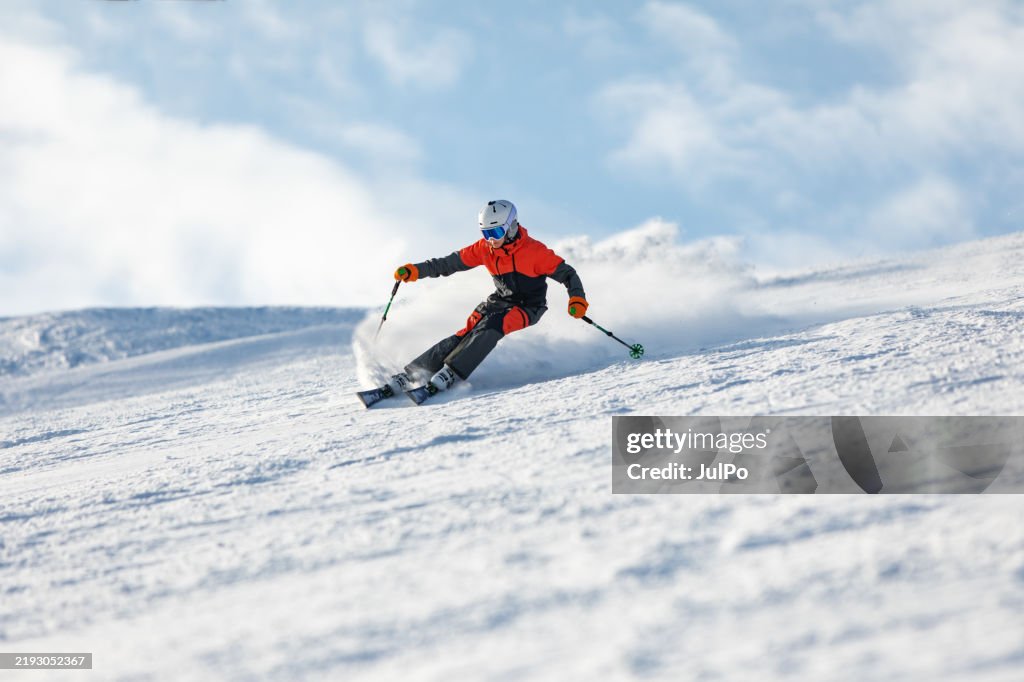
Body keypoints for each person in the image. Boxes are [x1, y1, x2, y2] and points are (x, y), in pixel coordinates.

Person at [387, 200, 587, 395]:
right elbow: (448, 263)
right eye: (486, 233)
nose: (491, 239)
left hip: (528, 307)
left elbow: (568, 275)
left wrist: (577, 299)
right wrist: (415, 270)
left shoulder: (535, 252)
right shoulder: (484, 249)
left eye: (496, 232)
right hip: (499, 301)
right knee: (468, 332)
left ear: (511, 227)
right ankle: (414, 373)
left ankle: (452, 373)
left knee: (492, 325)